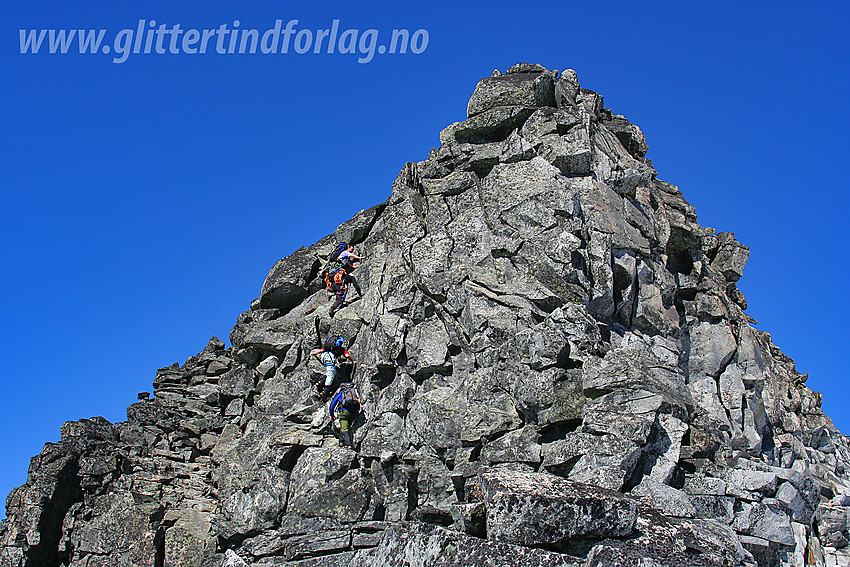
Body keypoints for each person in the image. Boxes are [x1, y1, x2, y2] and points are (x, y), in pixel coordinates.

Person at [329, 382, 361, 448]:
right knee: (345, 426)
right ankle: (341, 442)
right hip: (353, 413)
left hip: (344, 412)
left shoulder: (341, 394)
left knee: (344, 428)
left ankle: (348, 444)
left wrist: (332, 415)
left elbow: (332, 405)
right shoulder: (354, 393)